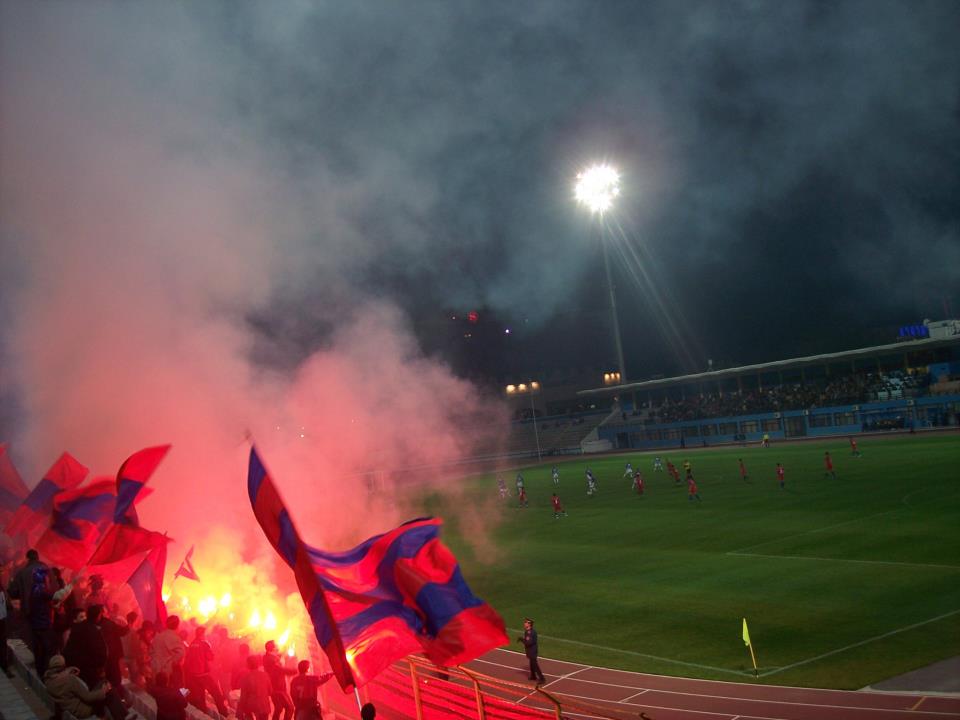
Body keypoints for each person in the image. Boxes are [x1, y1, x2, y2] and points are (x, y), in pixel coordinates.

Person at [43, 654, 107, 720]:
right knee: (108, 689)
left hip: (70, 709)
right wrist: (104, 691)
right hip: (83, 710)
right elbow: (88, 697)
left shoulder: (48, 682)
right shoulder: (70, 680)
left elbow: (59, 678)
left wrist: (67, 671)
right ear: (63, 666)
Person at [183, 625, 228, 715]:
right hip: (203, 674)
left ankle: (203, 714)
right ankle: (223, 713)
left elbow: (188, 659)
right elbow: (210, 657)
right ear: (202, 634)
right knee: (216, 693)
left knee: (200, 697)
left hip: (193, 676)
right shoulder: (204, 644)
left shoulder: (191, 644)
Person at [63, 603, 108, 689]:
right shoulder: (72, 633)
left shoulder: (80, 629)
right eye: (81, 617)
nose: (84, 619)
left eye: (85, 616)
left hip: (83, 669)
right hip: (86, 670)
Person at [263, 640, 296, 720]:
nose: (278, 646)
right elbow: (279, 669)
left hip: (276, 687)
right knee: (290, 707)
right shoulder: (269, 659)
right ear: (273, 648)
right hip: (278, 688)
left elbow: (277, 657)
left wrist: (284, 651)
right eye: (277, 645)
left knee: (279, 708)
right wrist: (295, 671)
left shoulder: (270, 657)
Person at [152, 615, 186, 689]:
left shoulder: (158, 636)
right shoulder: (175, 637)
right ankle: (184, 699)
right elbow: (181, 652)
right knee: (181, 688)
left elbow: (152, 652)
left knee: (162, 690)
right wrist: (173, 662)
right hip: (171, 671)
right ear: (177, 625)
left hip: (158, 670)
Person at [239, 655, 272, 720]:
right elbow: (270, 691)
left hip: (251, 708)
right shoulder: (265, 675)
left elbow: (243, 696)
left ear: (247, 665)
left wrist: (240, 710)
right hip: (264, 706)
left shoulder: (245, 678)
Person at [517, 618, 545, 684]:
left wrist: (522, 640)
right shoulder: (527, 631)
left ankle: (542, 678)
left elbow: (528, 643)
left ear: (529, 624)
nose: (524, 623)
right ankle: (533, 676)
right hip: (530, 651)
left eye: (526, 622)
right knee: (531, 663)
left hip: (532, 651)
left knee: (535, 664)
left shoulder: (530, 632)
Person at [0, 577, 12, 677]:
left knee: (3, 642)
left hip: (2, 619)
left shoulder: (1, 586)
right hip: (1, 618)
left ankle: (4, 665)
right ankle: (4, 666)